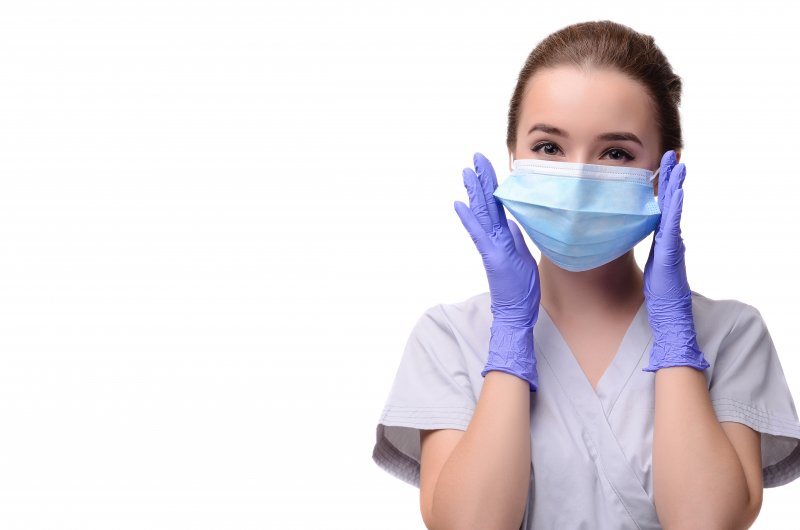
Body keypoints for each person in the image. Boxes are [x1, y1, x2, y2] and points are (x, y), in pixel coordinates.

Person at [372, 20, 800, 530]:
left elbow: (706, 523)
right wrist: (509, 331)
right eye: (549, 148)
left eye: (615, 153)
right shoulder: (449, 337)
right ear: (513, 155)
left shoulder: (731, 334)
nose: (577, 177)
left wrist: (673, 331)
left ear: (665, 172)